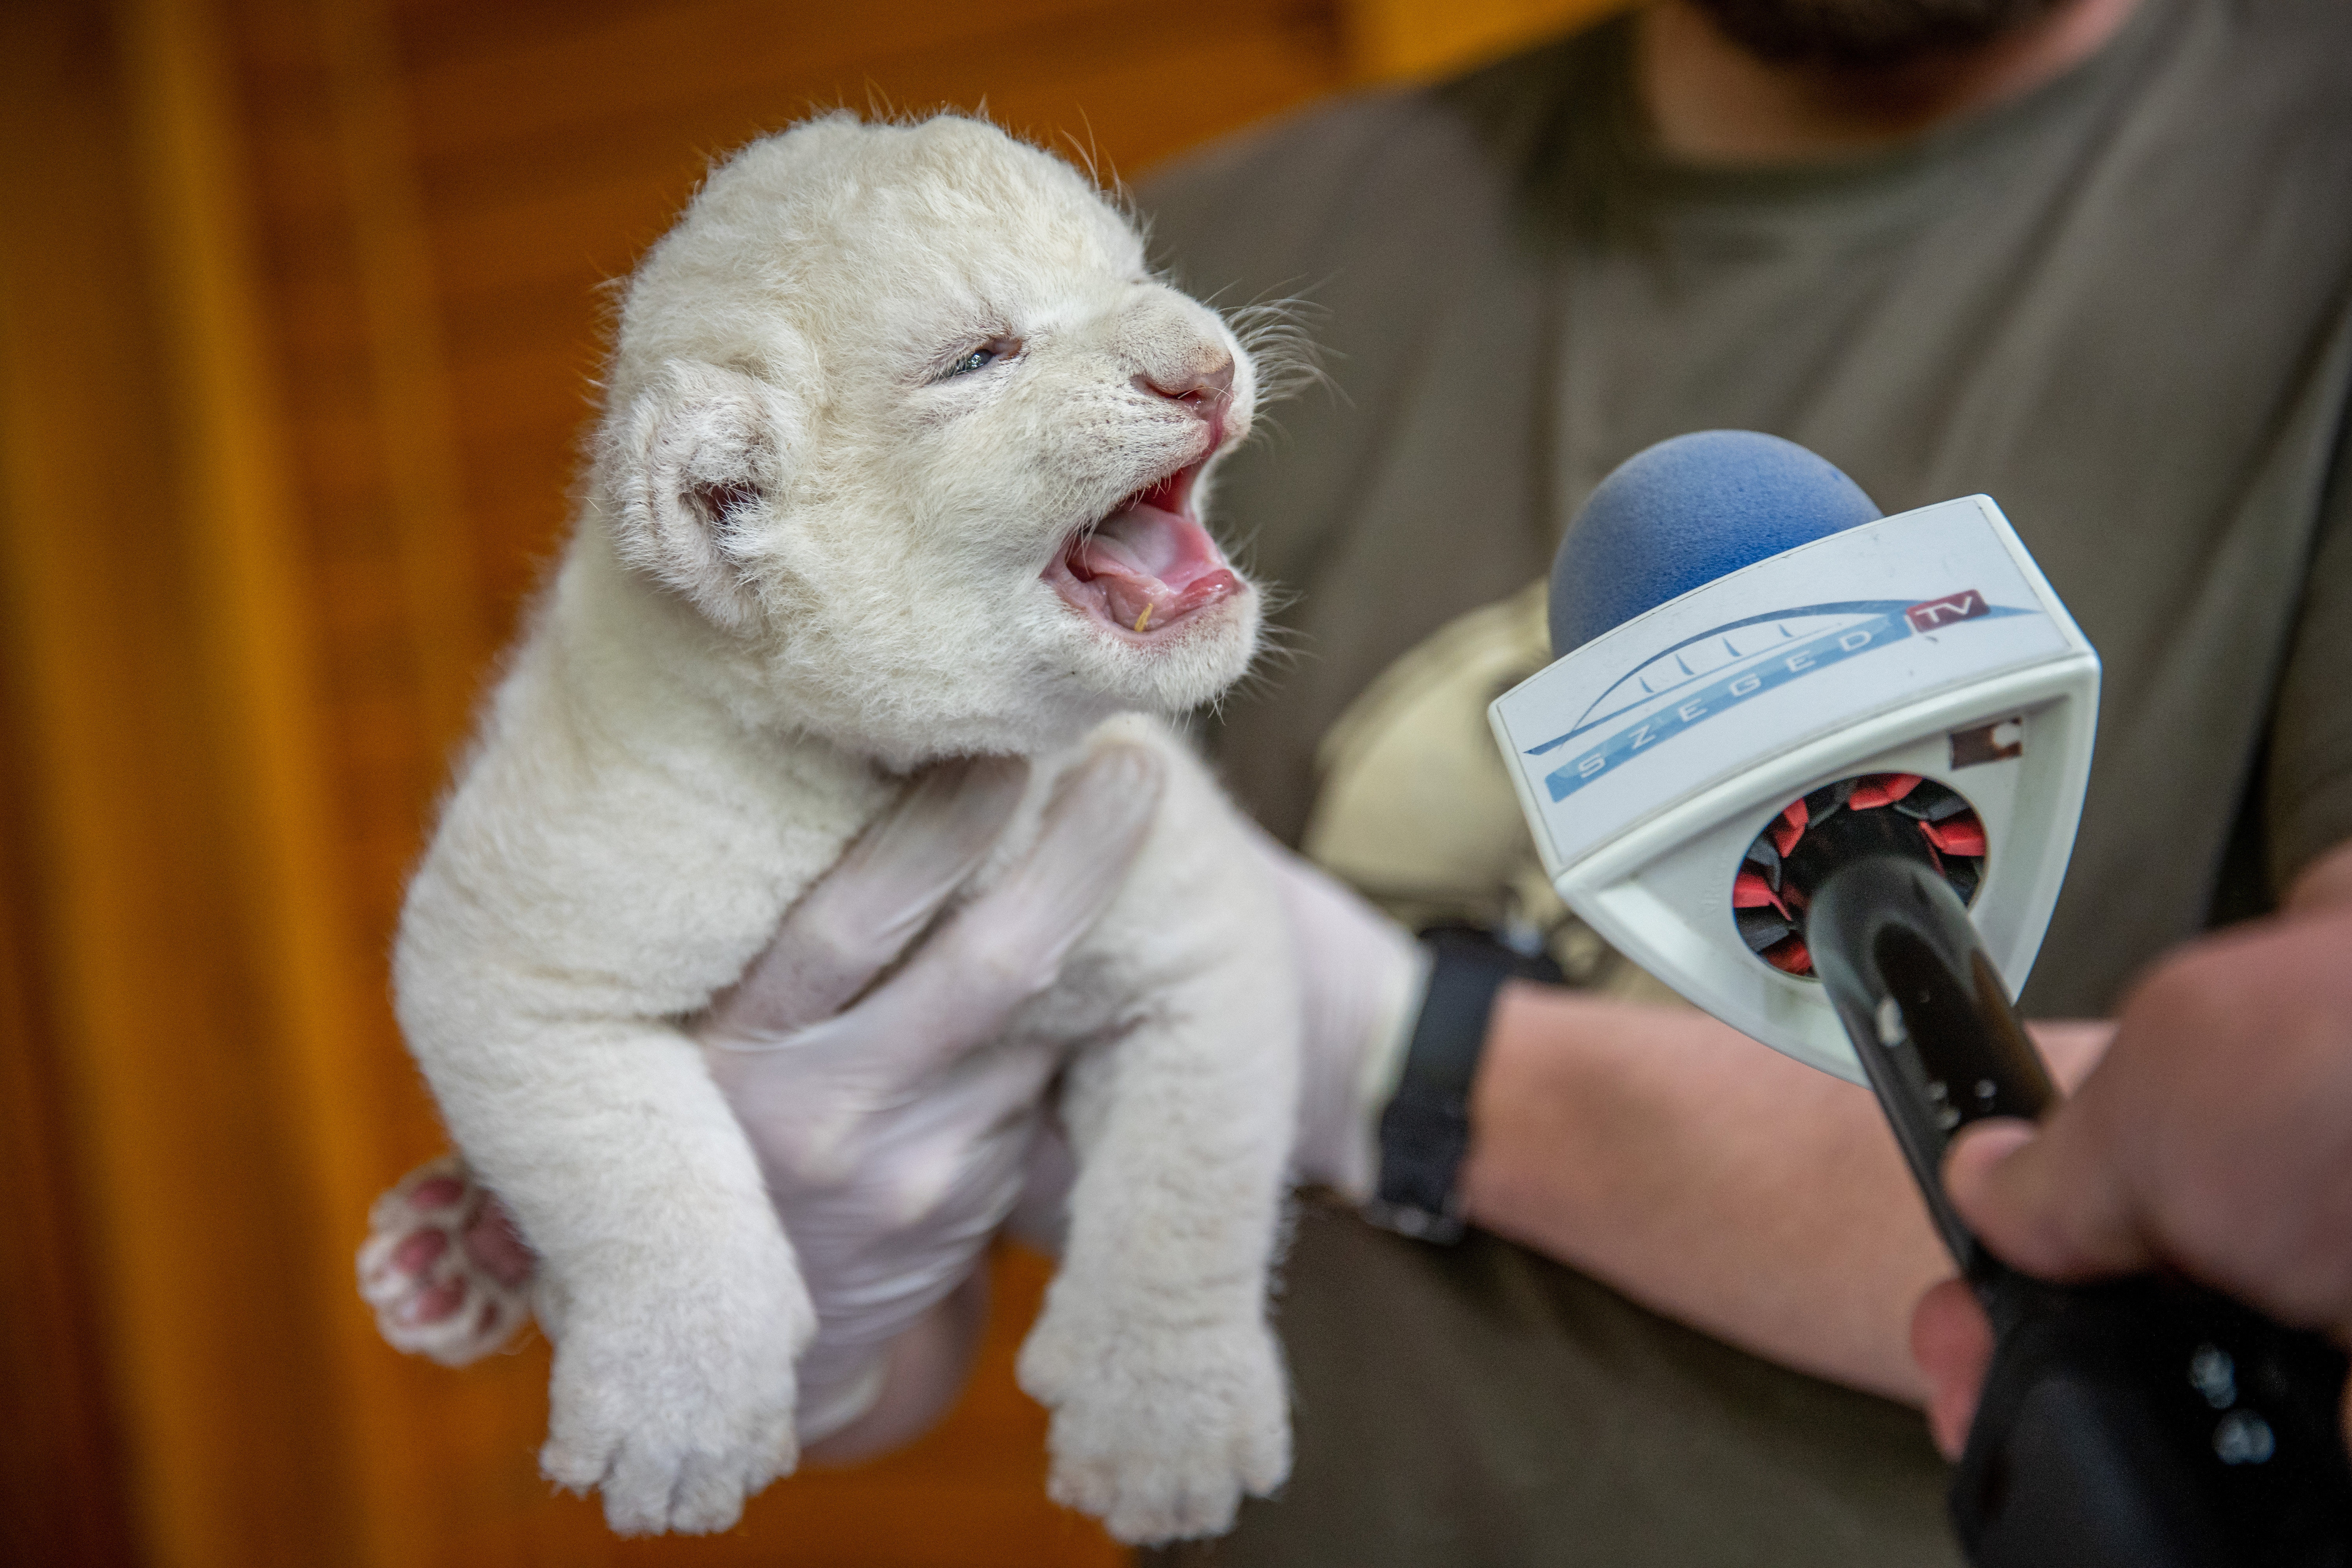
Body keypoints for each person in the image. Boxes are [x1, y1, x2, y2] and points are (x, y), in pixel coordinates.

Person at [368, 0, 2352, 1558]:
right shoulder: (1189, 269)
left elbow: (2297, 1182)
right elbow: (918, 1321)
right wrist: (781, 1270)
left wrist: (1413, 1059)